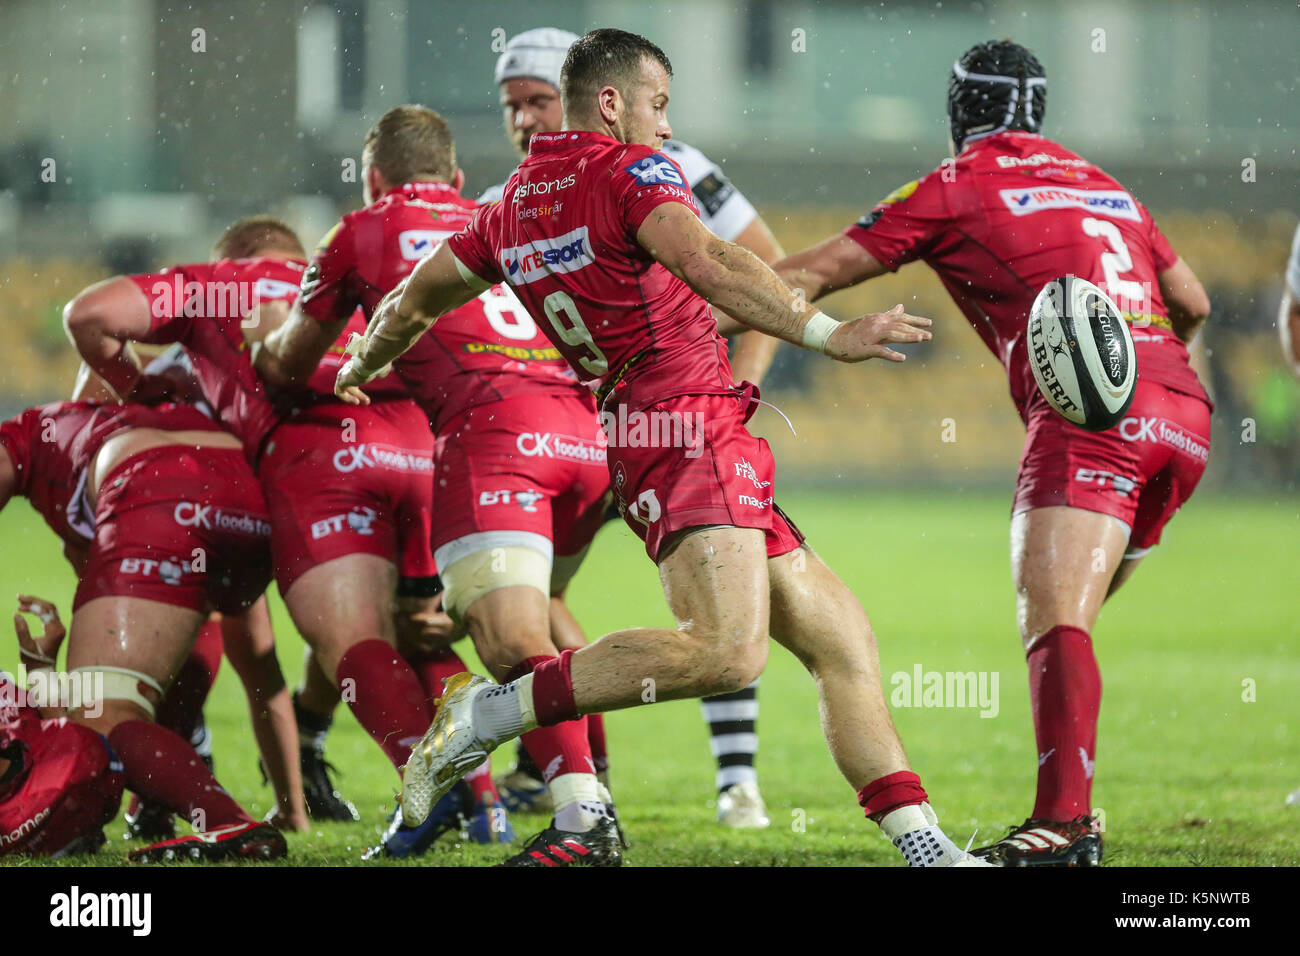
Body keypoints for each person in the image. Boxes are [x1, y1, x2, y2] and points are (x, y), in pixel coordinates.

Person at [339, 28, 985, 868]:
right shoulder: (629, 170)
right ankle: (489, 716)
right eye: (658, 103)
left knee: (842, 641)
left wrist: (359, 360)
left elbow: (409, 303)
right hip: (683, 427)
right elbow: (713, 257)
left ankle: (927, 848)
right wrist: (831, 331)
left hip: (660, 428)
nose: (665, 124)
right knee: (727, 652)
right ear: (611, 102)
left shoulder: (503, 210)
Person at [773, 40, 1213, 865]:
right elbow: (1193, 300)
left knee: (1053, 621)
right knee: (1068, 621)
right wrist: (1149, 375)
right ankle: (1067, 818)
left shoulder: (956, 184)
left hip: (1093, 422)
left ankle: (1065, 826)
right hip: (1184, 414)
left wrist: (698, 298)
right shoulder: (1106, 185)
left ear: (957, 114)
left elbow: (816, 273)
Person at [255, 104, 613, 861]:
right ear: (455, 177)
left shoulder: (361, 231)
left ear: (372, 179)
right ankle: (578, 785)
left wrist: (292, 361)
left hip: (491, 437)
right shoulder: (505, 211)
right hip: (589, 437)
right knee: (527, 622)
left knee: (503, 641)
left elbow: (289, 363)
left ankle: (573, 810)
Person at [62, 218, 489, 845]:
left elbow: (90, 322)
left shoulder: (210, 290)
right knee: (424, 632)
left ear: (229, 258)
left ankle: (206, 806)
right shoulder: (347, 283)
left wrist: (141, 388)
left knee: (120, 695)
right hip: (426, 450)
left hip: (286, 474)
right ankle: (492, 802)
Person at [485, 27, 785, 826]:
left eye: (539, 101)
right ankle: (568, 767)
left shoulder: (671, 161)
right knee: (541, 593)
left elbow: (760, 267)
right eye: (512, 106)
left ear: (587, 98)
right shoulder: (512, 197)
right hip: (579, 430)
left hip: (683, 421)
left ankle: (735, 779)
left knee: (727, 598)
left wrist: (739, 388)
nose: (524, 120)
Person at [0, 398, 305, 862]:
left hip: (163, 487)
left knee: (105, 708)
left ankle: (226, 824)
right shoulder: (133, 417)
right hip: (256, 487)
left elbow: (73, 734)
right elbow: (259, 665)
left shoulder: (26, 439)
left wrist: (42, 672)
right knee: (157, 665)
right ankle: (163, 805)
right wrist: (290, 804)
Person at [1, 601, 125, 858]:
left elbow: (64, 744)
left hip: (53, 795)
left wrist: (39, 670)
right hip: (23, 814)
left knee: (120, 742)